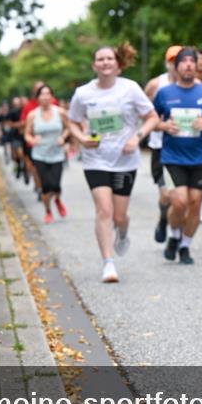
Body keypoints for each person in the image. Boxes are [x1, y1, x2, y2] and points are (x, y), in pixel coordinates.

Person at [68, 42, 160, 283]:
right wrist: (81, 138)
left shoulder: (130, 89)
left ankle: (123, 230)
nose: (105, 62)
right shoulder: (83, 93)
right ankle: (108, 263)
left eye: (109, 58)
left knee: (119, 216)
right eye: (100, 59)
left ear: (117, 64)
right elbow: (72, 121)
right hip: (95, 160)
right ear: (94, 65)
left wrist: (136, 137)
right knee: (104, 210)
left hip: (125, 161)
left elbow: (152, 117)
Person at [152, 47, 202, 265]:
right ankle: (174, 236)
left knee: (195, 204)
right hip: (173, 156)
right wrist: (164, 125)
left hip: (201, 157)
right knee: (180, 202)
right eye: (184, 61)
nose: (189, 64)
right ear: (176, 66)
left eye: (193, 61)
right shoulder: (164, 94)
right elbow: (151, 121)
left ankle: (185, 246)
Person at [145, 45, 182, 243]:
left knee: (183, 197)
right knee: (167, 195)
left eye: (180, 60)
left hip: (186, 148)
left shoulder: (196, 85)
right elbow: (143, 115)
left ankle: (178, 236)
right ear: (167, 63)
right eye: (172, 61)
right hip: (161, 147)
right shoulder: (155, 85)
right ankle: (163, 219)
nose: (176, 65)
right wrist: (162, 126)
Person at [24, 85, 70, 224]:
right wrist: (32, 140)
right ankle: (48, 211)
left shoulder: (60, 112)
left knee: (55, 184)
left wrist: (63, 137)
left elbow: (68, 128)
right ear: (37, 97)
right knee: (45, 186)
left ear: (51, 96)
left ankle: (57, 200)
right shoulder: (32, 115)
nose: (45, 97)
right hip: (39, 155)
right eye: (42, 94)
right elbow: (27, 134)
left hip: (57, 154)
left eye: (48, 94)